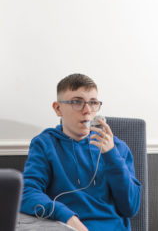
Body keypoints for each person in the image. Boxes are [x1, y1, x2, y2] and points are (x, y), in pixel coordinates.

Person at [20, 73, 141, 231]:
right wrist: (67, 217)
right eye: (77, 102)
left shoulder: (117, 148)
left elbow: (130, 208)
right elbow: (27, 192)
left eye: (93, 103)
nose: (87, 110)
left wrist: (111, 156)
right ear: (58, 108)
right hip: (67, 227)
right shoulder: (44, 144)